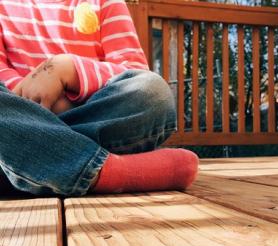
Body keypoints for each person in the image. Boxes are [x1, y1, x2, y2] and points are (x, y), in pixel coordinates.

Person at [0, 0, 198, 196]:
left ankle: (37, 167)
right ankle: (109, 171)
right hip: (14, 116)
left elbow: (132, 69)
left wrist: (68, 69)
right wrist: (34, 104)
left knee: (152, 93)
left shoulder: (106, 2)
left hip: (80, 116)